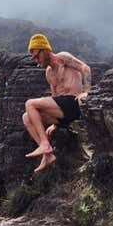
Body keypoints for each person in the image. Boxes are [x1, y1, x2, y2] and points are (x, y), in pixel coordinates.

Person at [22, 33, 92, 172]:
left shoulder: (63, 58)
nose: (36, 61)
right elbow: (55, 97)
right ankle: (47, 155)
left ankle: (45, 145)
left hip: (74, 103)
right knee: (26, 117)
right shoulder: (48, 73)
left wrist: (86, 92)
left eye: (37, 56)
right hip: (63, 110)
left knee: (30, 103)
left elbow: (85, 68)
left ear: (45, 50)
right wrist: (55, 124)